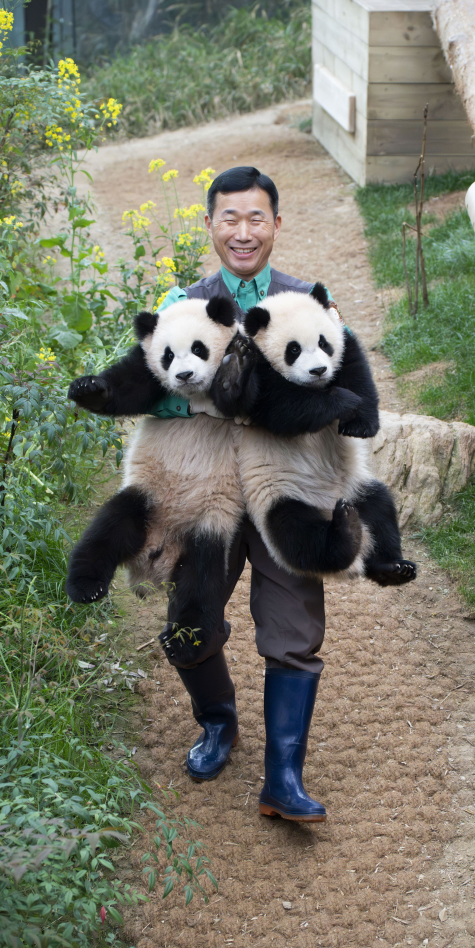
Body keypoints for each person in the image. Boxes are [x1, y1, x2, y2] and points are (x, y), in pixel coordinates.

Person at [153, 166, 343, 823]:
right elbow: (152, 391)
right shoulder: (181, 303)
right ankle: (218, 722)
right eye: (228, 218)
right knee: (187, 624)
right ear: (209, 226)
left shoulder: (309, 300)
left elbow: (338, 391)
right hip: (208, 494)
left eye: (255, 217)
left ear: (276, 225)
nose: (242, 231)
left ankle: (283, 778)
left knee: (294, 634)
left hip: (287, 494)